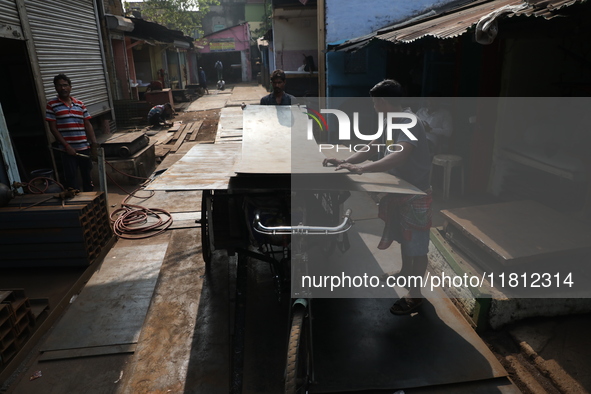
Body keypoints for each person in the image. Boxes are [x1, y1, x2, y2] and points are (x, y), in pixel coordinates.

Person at [322, 79, 432, 315]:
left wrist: (363, 169)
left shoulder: (408, 122)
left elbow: (399, 156)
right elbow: (373, 146)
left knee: (417, 247)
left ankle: (415, 296)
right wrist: (346, 161)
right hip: (399, 189)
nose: (372, 105)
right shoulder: (391, 121)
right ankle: (404, 273)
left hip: (415, 194)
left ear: (381, 101)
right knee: (404, 237)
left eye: (373, 101)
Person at [46, 73, 98, 192]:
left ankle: (90, 202)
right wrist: (67, 146)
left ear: (70, 87)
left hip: (84, 147)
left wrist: (94, 144)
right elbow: (53, 128)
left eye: (65, 85)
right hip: (67, 150)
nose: (63, 88)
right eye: (59, 86)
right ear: (55, 88)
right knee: (71, 179)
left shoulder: (79, 104)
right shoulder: (51, 105)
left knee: (87, 177)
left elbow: (87, 124)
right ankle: (76, 204)